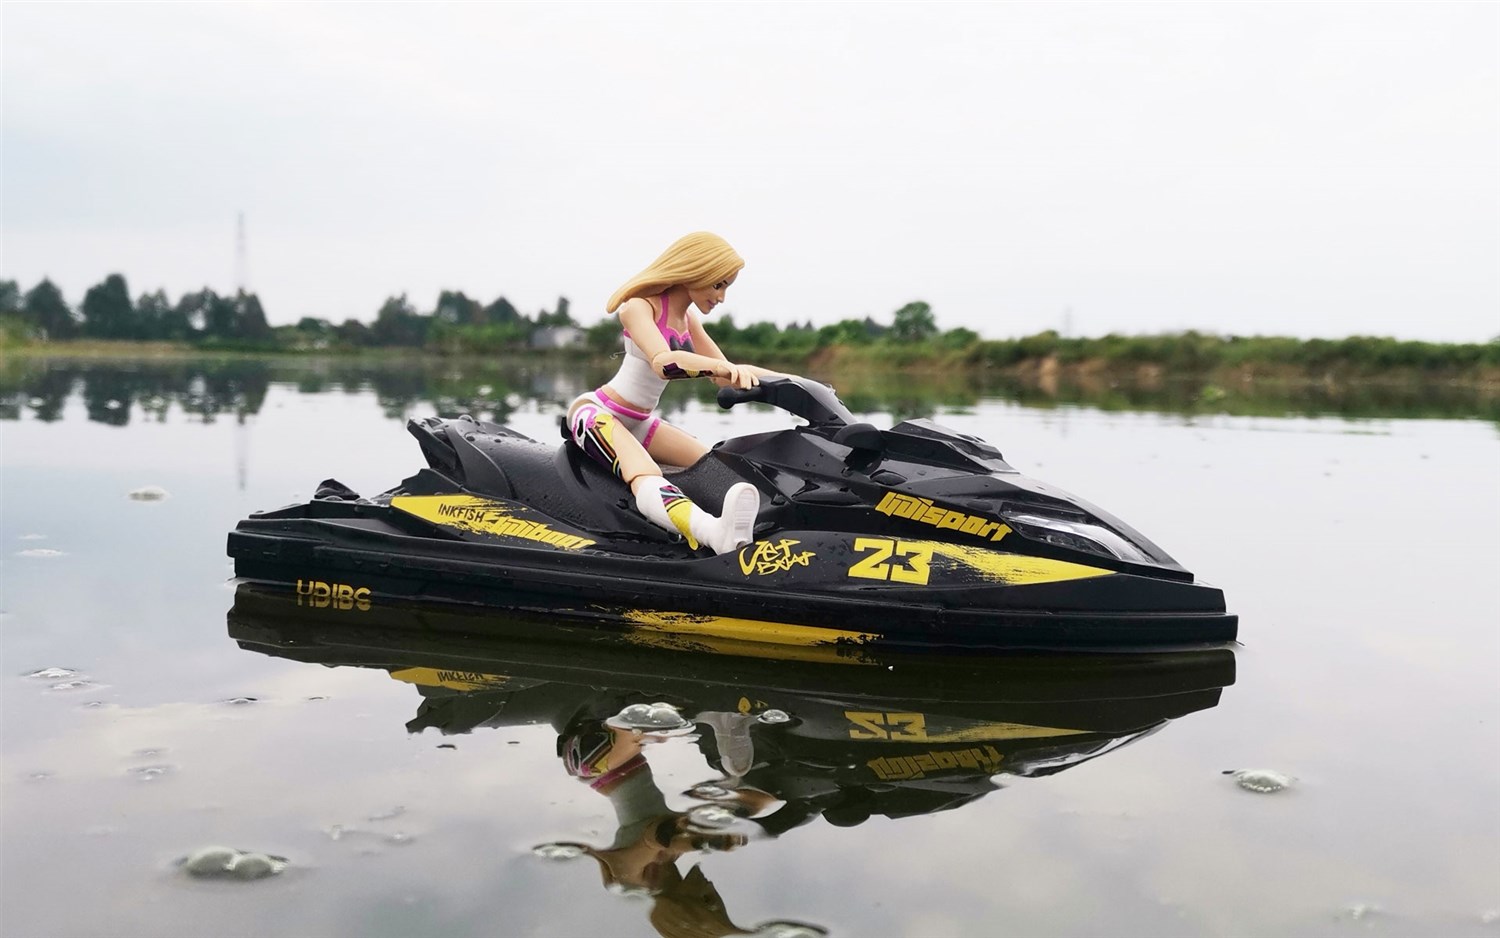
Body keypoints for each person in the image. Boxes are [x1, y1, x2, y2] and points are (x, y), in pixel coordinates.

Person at [566, 232, 780, 554]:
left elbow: (727, 375)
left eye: (726, 287)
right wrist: (718, 367)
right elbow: (664, 363)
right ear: (696, 271)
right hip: (599, 414)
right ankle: (711, 533)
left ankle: (765, 524)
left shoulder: (687, 319)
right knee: (645, 473)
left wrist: (797, 383)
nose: (721, 297)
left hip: (641, 423)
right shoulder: (638, 307)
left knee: (714, 463)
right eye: (718, 285)